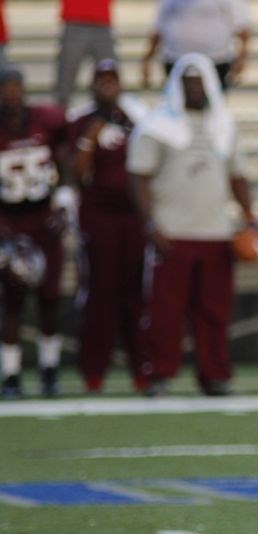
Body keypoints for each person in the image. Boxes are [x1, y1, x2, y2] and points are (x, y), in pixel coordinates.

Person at [127, 53, 258, 397]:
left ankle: (214, 374)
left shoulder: (223, 126)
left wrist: (250, 218)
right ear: (177, 87)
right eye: (187, 83)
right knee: (164, 312)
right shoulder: (158, 125)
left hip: (216, 230)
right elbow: (138, 177)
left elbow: (238, 176)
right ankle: (159, 373)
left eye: (199, 82)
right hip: (173, 231)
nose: (194, 89)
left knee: (214, 311)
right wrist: (151, 224)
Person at [67, 59, 148, 393]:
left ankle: (142, 369)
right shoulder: (82, 120)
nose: (107, 86)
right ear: (93, 85)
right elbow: (74, 173)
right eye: (101, 80)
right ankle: (93, 372)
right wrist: (90, 139)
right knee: (99, 294)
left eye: (112, 80)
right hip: (97, 216)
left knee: (135, 293)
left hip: (132, 216)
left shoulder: (137, 118)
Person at [0, 67, 74, 399]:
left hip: (43, 218)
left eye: (16, 87)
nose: (11, 94)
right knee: (11, 301)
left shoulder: (45, 120)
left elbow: (64, 160)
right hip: (10, 222)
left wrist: (63, 202)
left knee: (50, 298)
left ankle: (49, 369)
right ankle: (12, 374)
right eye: (5, 88)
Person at [141, 0, 251, 91]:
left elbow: (243, 29)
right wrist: (147, 59)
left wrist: (242, 58)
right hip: (176, 60)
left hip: (216, 61)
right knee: (176, 103)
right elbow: (158, 29)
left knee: (212, 103)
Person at [54, 0, 118, 109]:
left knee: (109, 77)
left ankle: (109, 118)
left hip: (101, 21)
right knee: (65, 80)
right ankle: (60, 120)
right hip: (75, 21)